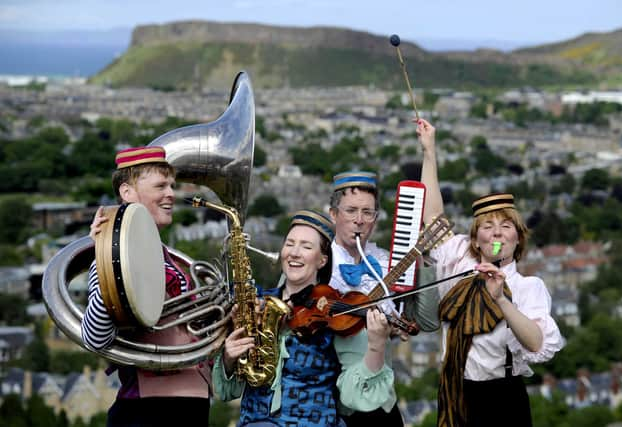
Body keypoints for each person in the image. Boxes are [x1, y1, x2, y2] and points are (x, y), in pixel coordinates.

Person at [413, 118, 565, 427]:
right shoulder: (457, 259)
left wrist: (502, 301)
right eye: (487, 226)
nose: (497, 234)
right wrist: (429, 151)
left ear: (517, 238)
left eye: (505, 226)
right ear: (475, 238)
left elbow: (537, 343)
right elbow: (432, 217)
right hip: (458, 390)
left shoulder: (527, 286)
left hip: (503, 397)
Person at [213, 209, 396, 427]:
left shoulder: (335, 314)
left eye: (306, 247)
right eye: (289, 244)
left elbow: (352, 399)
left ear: (322, 260)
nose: (295, 253)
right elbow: (226, 392)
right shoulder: (256, 305)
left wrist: (376, 346)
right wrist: (229, 359)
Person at [81, 146, 212, 427]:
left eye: (172, 186)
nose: (171, 194)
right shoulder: (107, 259)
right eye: (160, 185)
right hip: (147, 410)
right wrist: (112, 258)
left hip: (195, 407)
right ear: (127, 192)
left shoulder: (175, 260)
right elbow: (94, 337)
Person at [327, 172, 404, 426]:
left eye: (367, 213)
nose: (359, 221)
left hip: (382, 400)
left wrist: (420, 261)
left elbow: (424, 321)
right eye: (350, 211)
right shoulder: (318, 262)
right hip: (335, 402)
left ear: (375, 219)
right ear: (333, 215)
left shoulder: (383, 263)